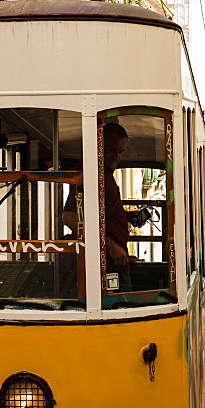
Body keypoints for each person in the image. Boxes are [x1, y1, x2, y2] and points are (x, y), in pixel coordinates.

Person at [63, 122, 132, 291]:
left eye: (121, 151)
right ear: (97, 145)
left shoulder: (105, 174)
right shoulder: (90, 174)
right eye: (111, 149)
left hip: (114, 261)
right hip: (103, 263)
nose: (116, 156)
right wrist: (110, 245)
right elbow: (69, 217)